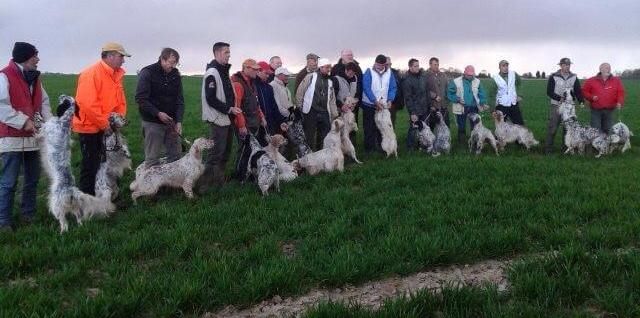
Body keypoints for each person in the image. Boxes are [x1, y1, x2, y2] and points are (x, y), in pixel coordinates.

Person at [0, 42, 52, 231]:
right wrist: (23, 121)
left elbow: (44, 103)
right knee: (8, 182)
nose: (37, 59)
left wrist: (49, 124)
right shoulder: (4, 76)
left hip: (34, 138)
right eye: (34, 56)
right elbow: (1, 106)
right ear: (24, 58)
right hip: (11, 139)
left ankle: (28, 215)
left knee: (32, 179)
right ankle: (3, 221)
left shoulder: (36, 79)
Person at [73, 42, 129, 195]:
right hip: (90, 128)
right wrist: (105, 124)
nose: (123, 60)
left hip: (109, 127)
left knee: (108, 163)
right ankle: (87, 200)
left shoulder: (116, 75)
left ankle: (107, 194)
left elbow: (120, 101)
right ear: (110, 56)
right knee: (91, 164)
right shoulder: (91, 74)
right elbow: (87, 103)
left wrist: (118, 120)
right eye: (121, 56)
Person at [198, 42, 241, 192]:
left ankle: (219, 180)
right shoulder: (212, 72)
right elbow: (211, 98)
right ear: (216, 53)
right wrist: (228, 108)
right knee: (215, 153)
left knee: (225, 151)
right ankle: (203, 185)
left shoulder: (223, 71)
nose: (229, 55)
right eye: (226, 52)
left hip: (227, 118)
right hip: (218, 118)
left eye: (229, 52)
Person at [135, 48, 184, 167]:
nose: (173, 66)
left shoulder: (175, 75)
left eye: (175, 63)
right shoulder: (147, 72)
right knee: (152, 158)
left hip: (171, 122)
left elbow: (179, 100)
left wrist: (178, 121)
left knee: (176, 156)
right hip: (152, 122)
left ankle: (172, 185)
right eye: (171, 62)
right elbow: (140, 99)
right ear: (162, 59)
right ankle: (150, 185)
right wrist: (158, 113)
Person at [231, 59, 267, 178]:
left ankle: (248, 173)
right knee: (244, 150)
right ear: (245, 68)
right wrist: (241, 126)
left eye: (257, 69)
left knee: (250, 150)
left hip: (253, 122)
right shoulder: (238, 84)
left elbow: (256, 103)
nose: (256, 71)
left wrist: (261, 117)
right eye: (254, 69)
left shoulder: (251, 82)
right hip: (245, 124)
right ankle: (239, 176)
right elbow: (237, 107)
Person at [295, 58, 339, 150]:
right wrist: (300, 106)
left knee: (325, 134)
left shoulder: (330, 82)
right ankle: (309, 155)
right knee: (309, 135)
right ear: (321, 67)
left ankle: (322, 154)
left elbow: (332, 99)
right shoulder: (310, 77)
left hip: (324, 111)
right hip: (311, 110)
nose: (329, 69)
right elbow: (300, 91)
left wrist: (334, 114)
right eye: (327, 67)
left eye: (329, 67)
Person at [545, 57, 584, 153]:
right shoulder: (554, 76)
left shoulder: (574, 77)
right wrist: (559, 98)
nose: (567, 67)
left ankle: (566, 147)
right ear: (561, 65)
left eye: (568, 65)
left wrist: (581, 102)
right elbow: (549, 92)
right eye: (565, 65)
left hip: (570, 107)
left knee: (568, 129)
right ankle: (548, 149)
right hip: (557, 105)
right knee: (553, 127)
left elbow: (578, 91)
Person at [361, 54, 398, 153]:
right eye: (377, 65)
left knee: (382, 127)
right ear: (375, 63)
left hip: (383, 105)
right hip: (369, 104)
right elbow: (366, 88)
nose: (379, 67)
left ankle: (383, 148)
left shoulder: (390, 73)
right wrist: (375, 101)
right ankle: (369, 149)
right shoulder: (369, 71)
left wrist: (390, 99)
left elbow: (393, 87)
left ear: (385, 64)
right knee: (369, 127)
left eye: (382, 65)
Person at [446, 65, 489, 144]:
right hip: (461, 107)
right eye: (468, 74)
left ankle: (475, 141)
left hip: (474, 107)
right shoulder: (455, 81)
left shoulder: (477, 81)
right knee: (461, 126)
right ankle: (462, 143)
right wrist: (457, 99)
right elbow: (449, 93)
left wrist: (482, 103)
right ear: (464, 73)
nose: (470, 76)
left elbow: (482, 93)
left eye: (472, 75)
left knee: (475, 126)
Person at [582, 62, 625, 133]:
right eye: (606, 68)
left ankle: (607, 143)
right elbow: (584, 91)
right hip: (596, 110)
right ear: (600, 69)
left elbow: (620, 92)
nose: (609, 69)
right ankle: (596, 143)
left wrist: (619, 102)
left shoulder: (616, 80)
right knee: (595, 130)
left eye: (609, 68)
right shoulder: (591, 80)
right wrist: (591, 97)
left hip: (609, 110)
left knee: (608, 130)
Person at [332, 49, 364, 136]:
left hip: (353, 106)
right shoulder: (335, 69)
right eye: (348, 55)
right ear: (342, 56)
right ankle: (340, 148)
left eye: (351, 55)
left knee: (352, 125)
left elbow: (360, 86)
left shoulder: (358, 69)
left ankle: (352, 147)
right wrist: (340, 105)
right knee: (339, 129)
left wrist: (356, 102)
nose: (350, 56)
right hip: (339, 107)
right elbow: (332, 92)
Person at [402, 58, 430, 149]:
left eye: (418, 65)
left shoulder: (422, 77)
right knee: (413, 128)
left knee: (424, 128)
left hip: (424, 108)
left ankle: (423, 146)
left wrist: (429, 105)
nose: (418, 67)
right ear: (410, 67)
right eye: (415, 66)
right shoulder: (407, 80)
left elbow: (426, 92)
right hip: (415, 109)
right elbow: (408, 98)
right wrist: (413, 112)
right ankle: (410, 147)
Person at [487, 60, 525, 125]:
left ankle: (518, 135)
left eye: (507, 65)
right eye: (503, 66)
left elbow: (519, 83)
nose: (506, 67)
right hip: (502, 105)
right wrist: (492, 110)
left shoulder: (513, 74)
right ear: (499, 67)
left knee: (519, 124)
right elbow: (492, 95)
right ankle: (499, 135)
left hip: (513, 103)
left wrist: (520, 94)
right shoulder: (495, 78)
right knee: (500, 126)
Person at [256, 61, 286, 134]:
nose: (268, 76)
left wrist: (281, 121)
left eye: (269, 74)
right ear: (258, 71)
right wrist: (260, 119)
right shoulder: (253, 86)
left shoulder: (269, 87)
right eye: (266, 73)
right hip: (258, 124)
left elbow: (274, 106)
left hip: (270, 123)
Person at [425, 57, 450, 129]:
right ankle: (432, 140)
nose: (437, 66)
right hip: (433, 106)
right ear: (430, 65)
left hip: (443, 106)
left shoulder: (443, 75)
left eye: (438, 64)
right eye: (435, 64)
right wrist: (434, 96)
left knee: (446, 126)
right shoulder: (426, 76)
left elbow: (447, 88)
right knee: (431, 127)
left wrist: (448, 100)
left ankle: (445, 140)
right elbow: (424, 90)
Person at [386, 56, 404, 127]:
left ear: (391, 64)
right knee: (383, 124)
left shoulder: (396, 73)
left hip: (393, 103)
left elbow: (399, 87)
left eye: (389, 64)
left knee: (392, 123)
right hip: (383, 103)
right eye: (386, 64)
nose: (387, 66)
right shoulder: (380, 74)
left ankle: (391, 138)